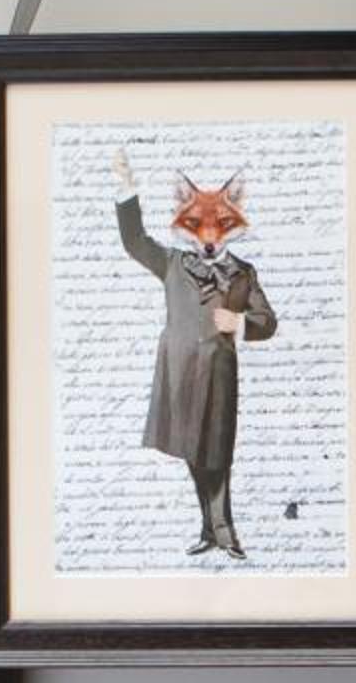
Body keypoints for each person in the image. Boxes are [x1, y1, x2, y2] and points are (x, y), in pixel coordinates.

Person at [111, 148, 278, 557]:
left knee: (217, 452)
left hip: (218, 375)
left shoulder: (243, 273)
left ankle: (224, 531)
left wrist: (240, 324)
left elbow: (268, 320)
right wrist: (126, 188)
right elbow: (134, 241)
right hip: (180, 370)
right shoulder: (171, 263)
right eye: (199, 228)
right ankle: (211, 531)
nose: (209, 239)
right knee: (192, 449)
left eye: (219, 228)